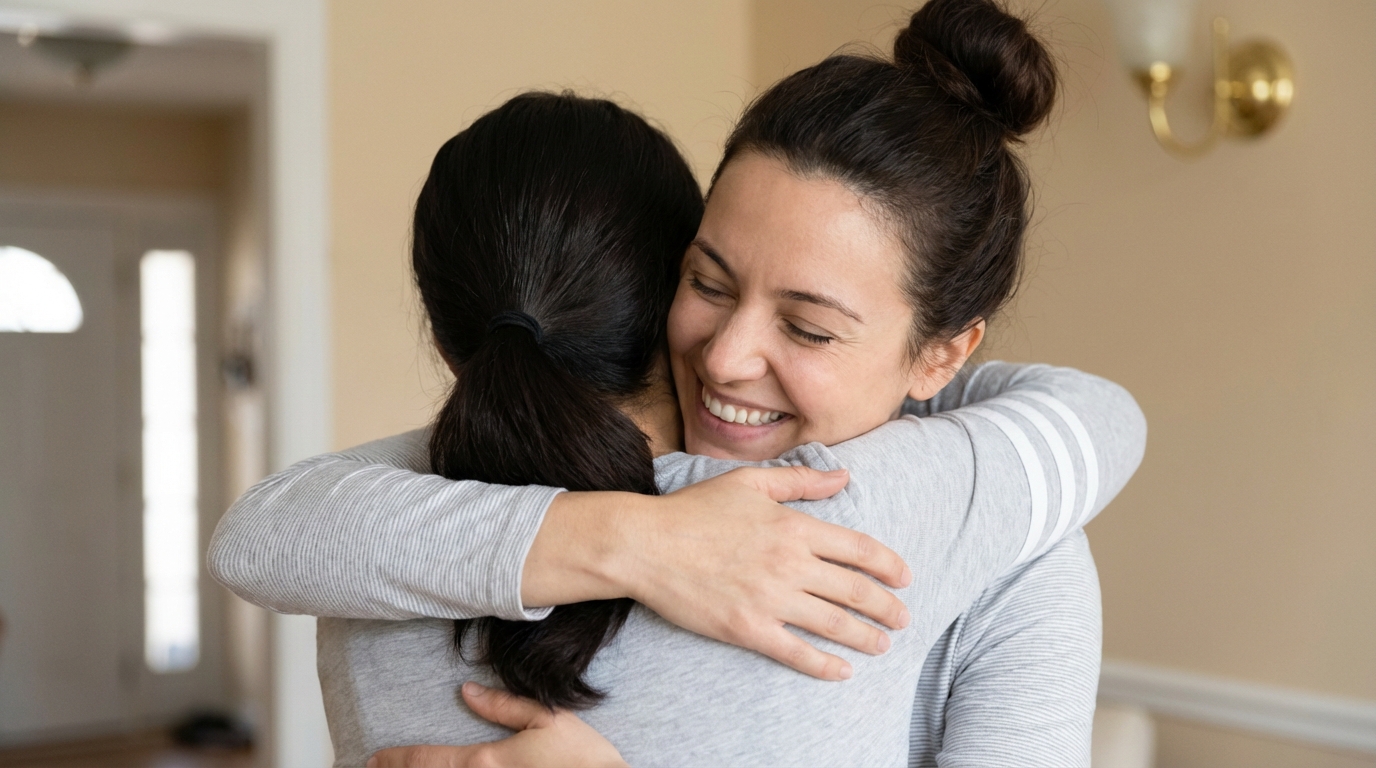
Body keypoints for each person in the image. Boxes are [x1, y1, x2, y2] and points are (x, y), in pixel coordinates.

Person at [210, 1, 1145, 765]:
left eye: (809, 327)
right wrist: (639, 540)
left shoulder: (1002, 545)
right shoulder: (437, 512)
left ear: (945, 354)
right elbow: (263, 535)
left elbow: (264, 534)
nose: (726, 355)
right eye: (707, 281)